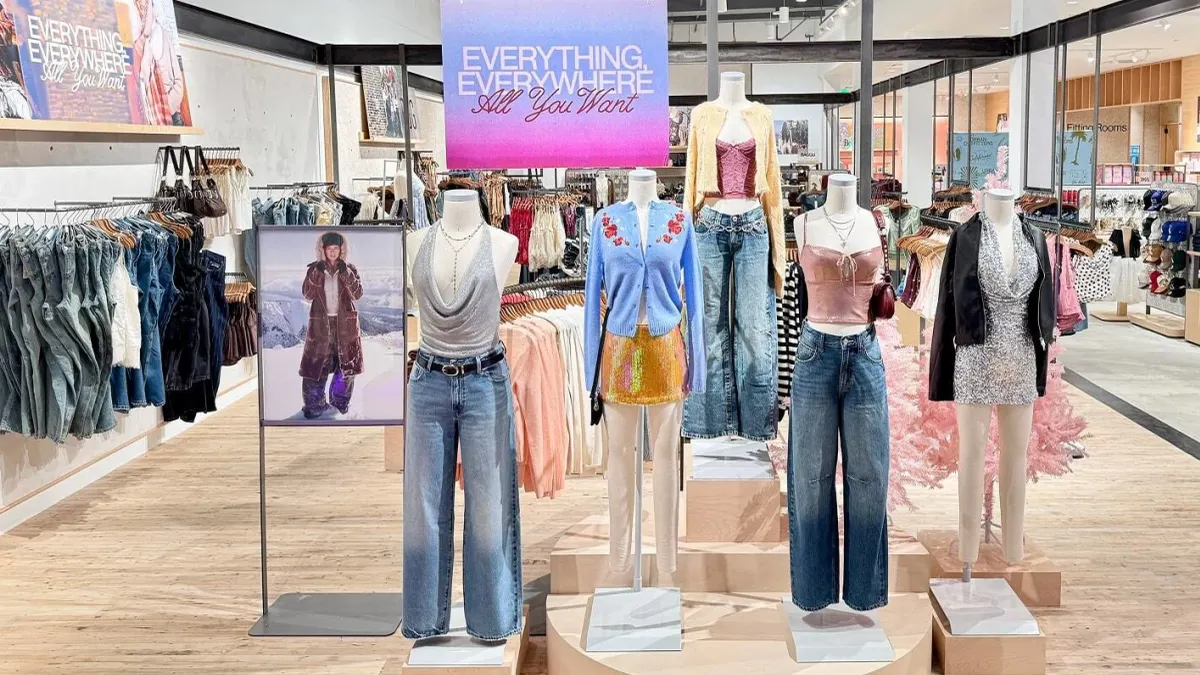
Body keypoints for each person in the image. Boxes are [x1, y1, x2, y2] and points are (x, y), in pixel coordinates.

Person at [299, 232, 365, 419]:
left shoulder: (349, 268)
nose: (333, 252)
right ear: (323, 250)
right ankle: (314, 406)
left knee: (346, 365)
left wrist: (346, 273)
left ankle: (339, 405)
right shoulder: (314, 269)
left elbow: (357, 293)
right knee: (316, 365)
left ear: (341, 249)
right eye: (329, 249)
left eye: (336, 248)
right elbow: (308, 294)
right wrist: (317, 273)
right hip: (321, 324)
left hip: (346, 325)